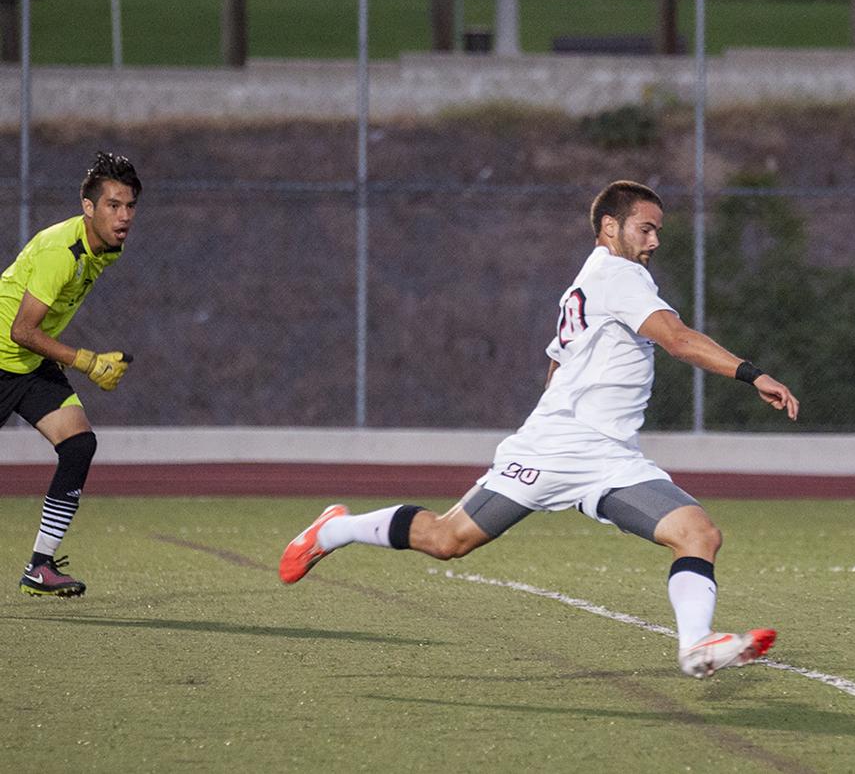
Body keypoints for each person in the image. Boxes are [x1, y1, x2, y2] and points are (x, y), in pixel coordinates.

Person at [280, 180, 799, 679]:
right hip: (555, 450)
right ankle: (334, 529)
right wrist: (753, 374)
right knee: (446, 540)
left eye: (658, 230)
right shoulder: (618, 276)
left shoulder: (589, 278)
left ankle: (695, 646)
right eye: (645, 228)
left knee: (699, 534)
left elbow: (558, 361)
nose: (656, 240)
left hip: (610, 458)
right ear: (609, 227)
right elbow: (678, 340)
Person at [1, 151, 140, 597]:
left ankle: (39, 567)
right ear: (88, 208)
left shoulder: (109, 249)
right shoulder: (62, 250)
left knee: (79, 445)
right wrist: (85, 360)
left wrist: (65, 355)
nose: (123, 216)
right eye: (113, 205)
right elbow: (22, 329)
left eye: (130, 206)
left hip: (27, 366)